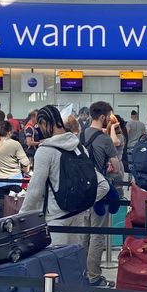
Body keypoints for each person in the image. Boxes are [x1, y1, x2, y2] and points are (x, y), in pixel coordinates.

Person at [21, 105, 108, 247]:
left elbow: (35, 191)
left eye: (39, 126)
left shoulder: (45, 151)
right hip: (79, 218)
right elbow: (103, 185)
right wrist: (82, 201)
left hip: (56, 222)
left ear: (44, 123)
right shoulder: (79, 147)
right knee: (74, 265)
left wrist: (21, 219)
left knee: (54, 266)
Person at [81, 102, 122, 287]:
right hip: (101, 191)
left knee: (84, 234)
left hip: (83, 191)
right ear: (104, 117)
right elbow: (118, 169)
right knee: (97, 234)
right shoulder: (105, 139)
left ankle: (82, 273)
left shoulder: (80, 135)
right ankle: (94, 276)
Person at [0, 121, 30, 193]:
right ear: (9, 132)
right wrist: (26, 170)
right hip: (14, 181)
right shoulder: (15, 144)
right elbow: (26, 163)